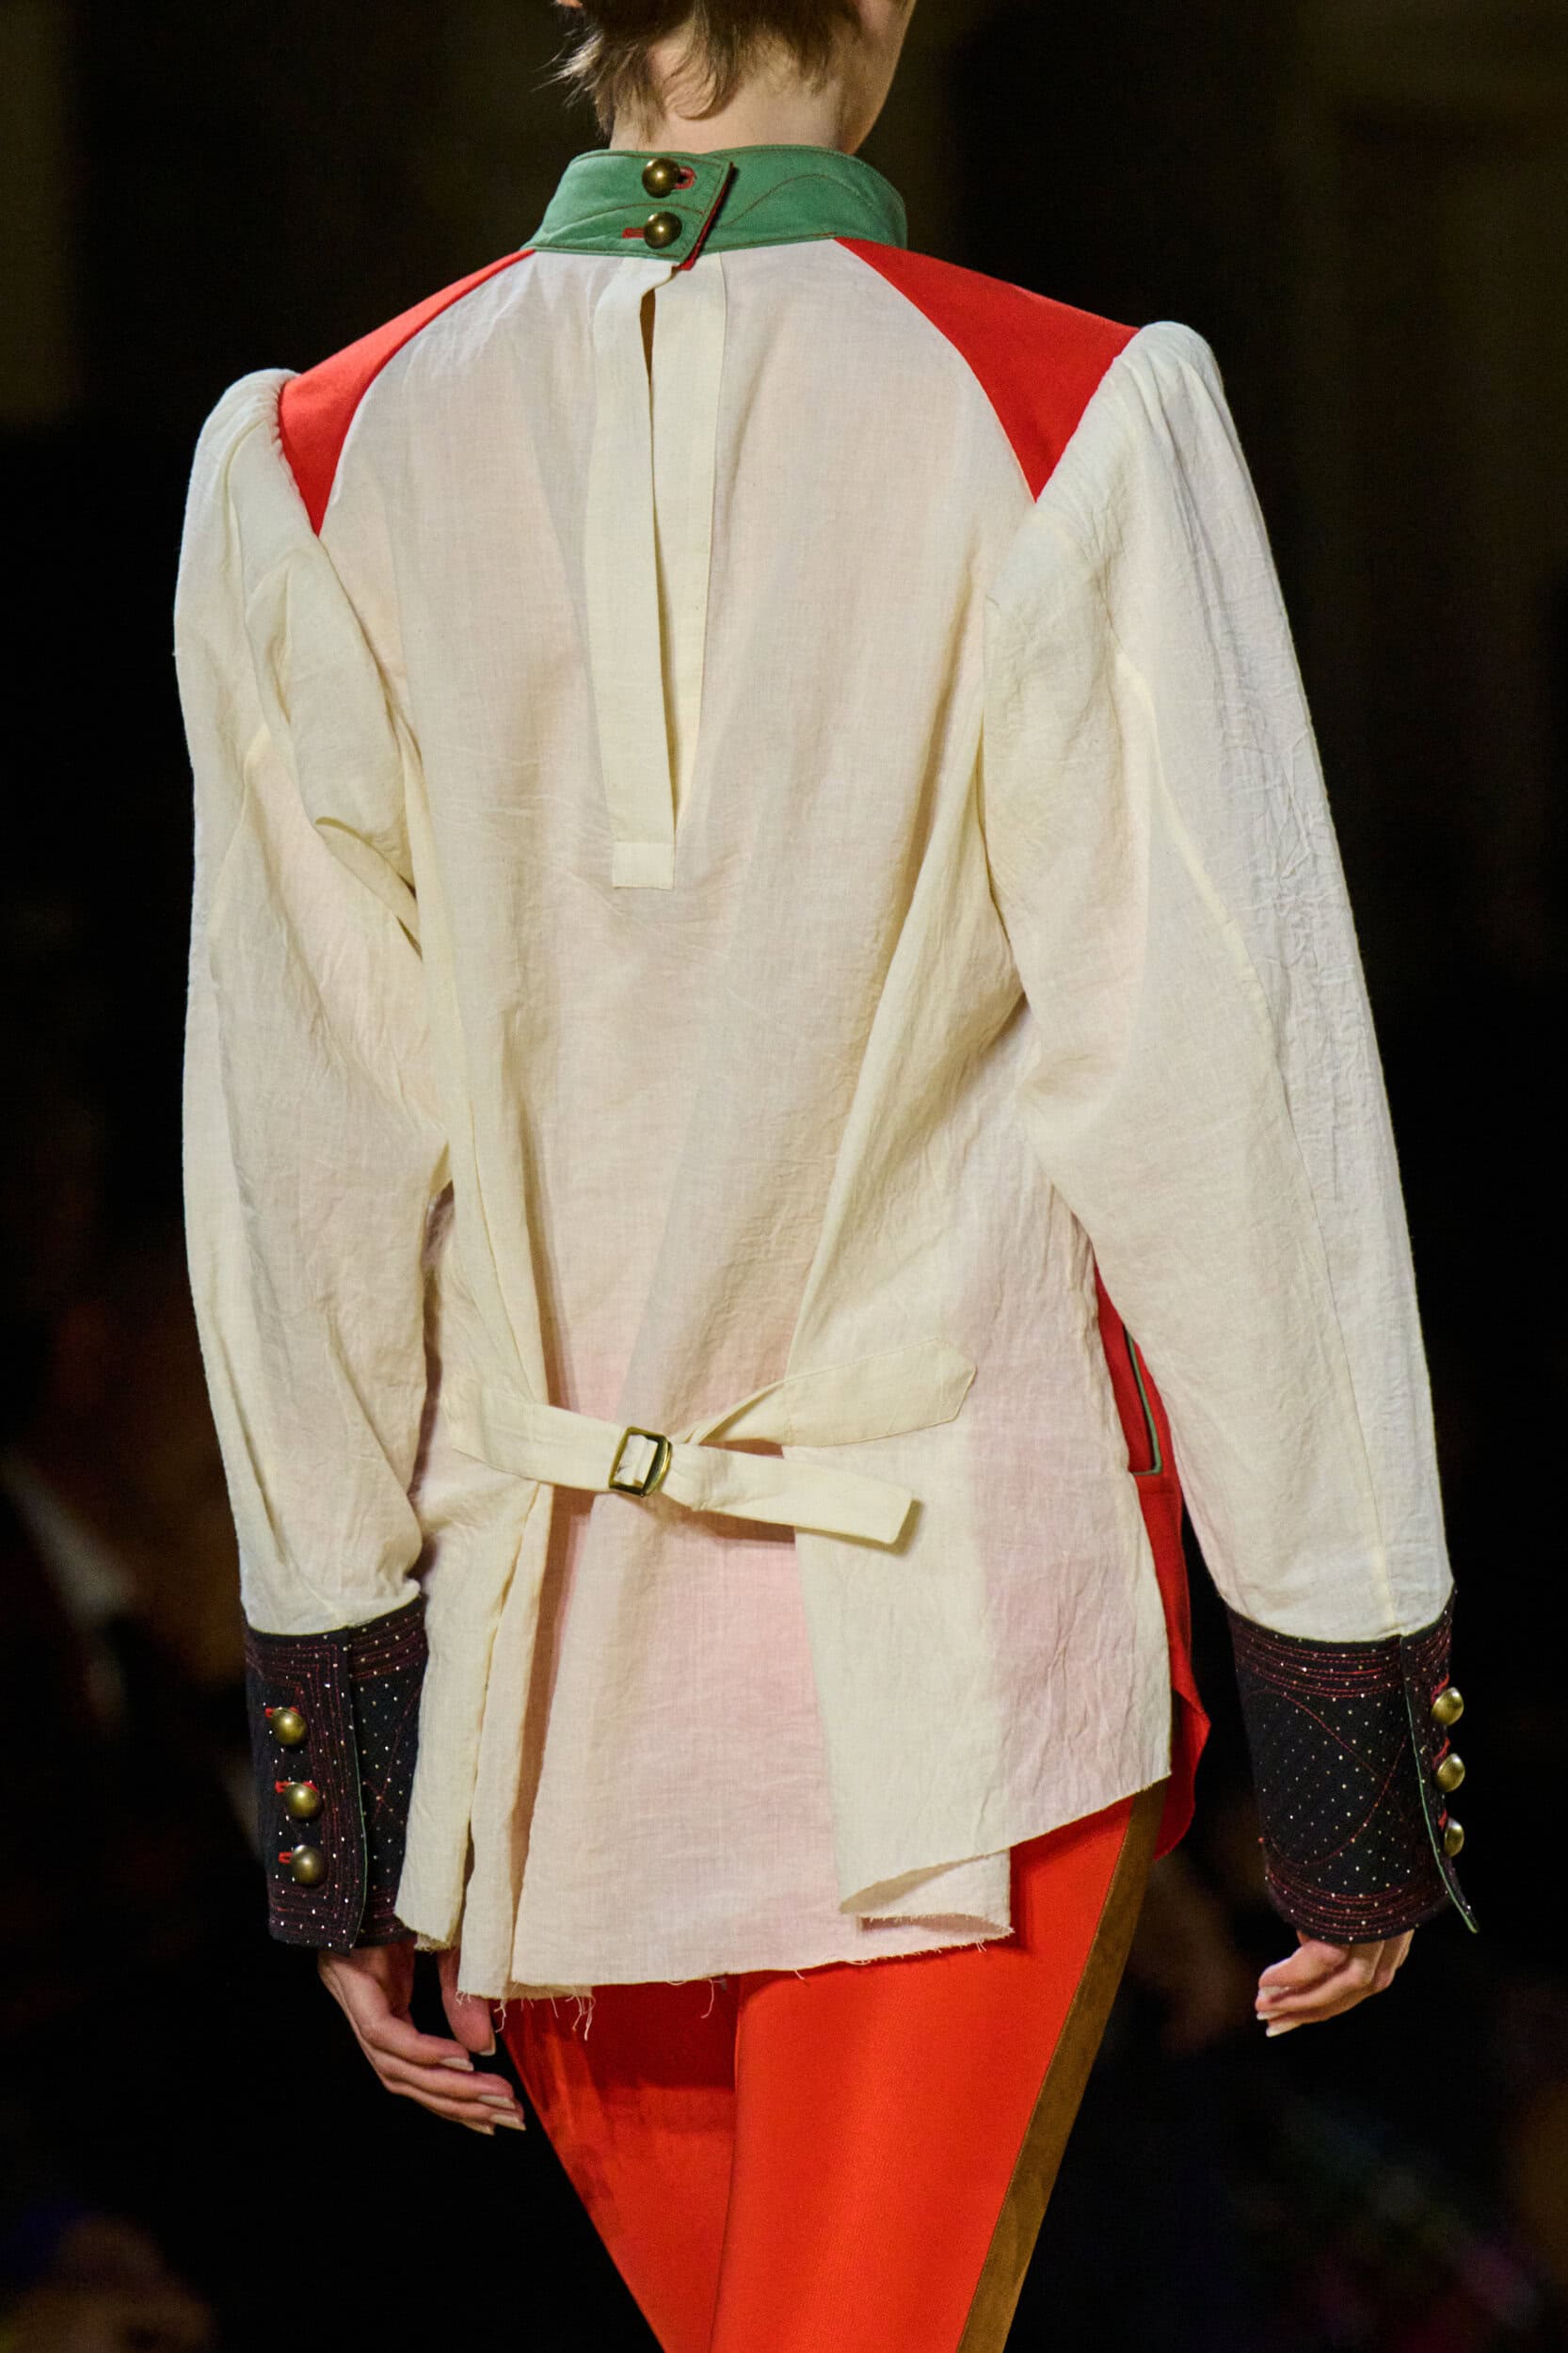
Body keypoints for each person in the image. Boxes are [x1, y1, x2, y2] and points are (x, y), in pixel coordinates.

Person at [172, 1, 1475, 2345]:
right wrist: (1345, 1735)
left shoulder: (320, 455)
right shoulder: (1064, 415)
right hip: (956, 1677)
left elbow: (302, 1171)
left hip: (544, 1712)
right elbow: (1220, 1098)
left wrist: (338, 1782)